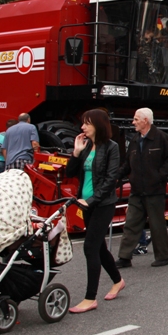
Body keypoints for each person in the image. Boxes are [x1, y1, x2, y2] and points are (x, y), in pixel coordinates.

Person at [66, 109, 124, 313]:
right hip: (86, 203)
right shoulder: (86, 146)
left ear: (98, 125)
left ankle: (90, 298)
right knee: (98, 247)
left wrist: (92, 200)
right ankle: (118, 280)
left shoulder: (111, 147)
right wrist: (75, 152)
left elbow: (110, 180)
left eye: (87, 123)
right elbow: (69, 173)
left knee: (90, 247)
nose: (82, 127)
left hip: (102, 204)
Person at [114, 108, 168, 269]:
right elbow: (128, 163)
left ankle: (163, 257)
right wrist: (116, 176)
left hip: (154, 190)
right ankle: (124, 257)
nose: (133, 122)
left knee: (157, 225)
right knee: (131, 224)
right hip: (137, 190)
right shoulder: (135, 139)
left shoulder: (161, 137)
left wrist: (158, 176)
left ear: (145, 121)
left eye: (136, 119)